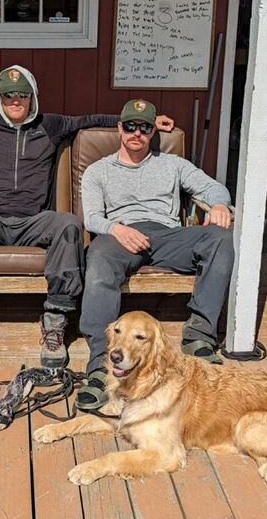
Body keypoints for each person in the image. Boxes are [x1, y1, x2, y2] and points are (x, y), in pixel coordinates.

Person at [0, 65, 173, 373]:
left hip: (36, 221)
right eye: (7, 95)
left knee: (69, 224)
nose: (15, 101)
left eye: (22, 95)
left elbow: (93, 119)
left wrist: (147, 122)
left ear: (32, 97)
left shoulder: (52, 125)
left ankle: (55, 319)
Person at [76, 99, 234, 410]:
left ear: (152, 132)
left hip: (167, 234)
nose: (137, 133)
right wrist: (117, 229)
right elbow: (91, 217)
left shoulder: (173, 164)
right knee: (98, 259)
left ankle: (199, 334)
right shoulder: (99, 170)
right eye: (131, 126)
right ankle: (99, 366)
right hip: (121, 235)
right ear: (120, 128)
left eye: (144, 127)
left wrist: (218, 204)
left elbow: (215, 189)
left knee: (220, 239)